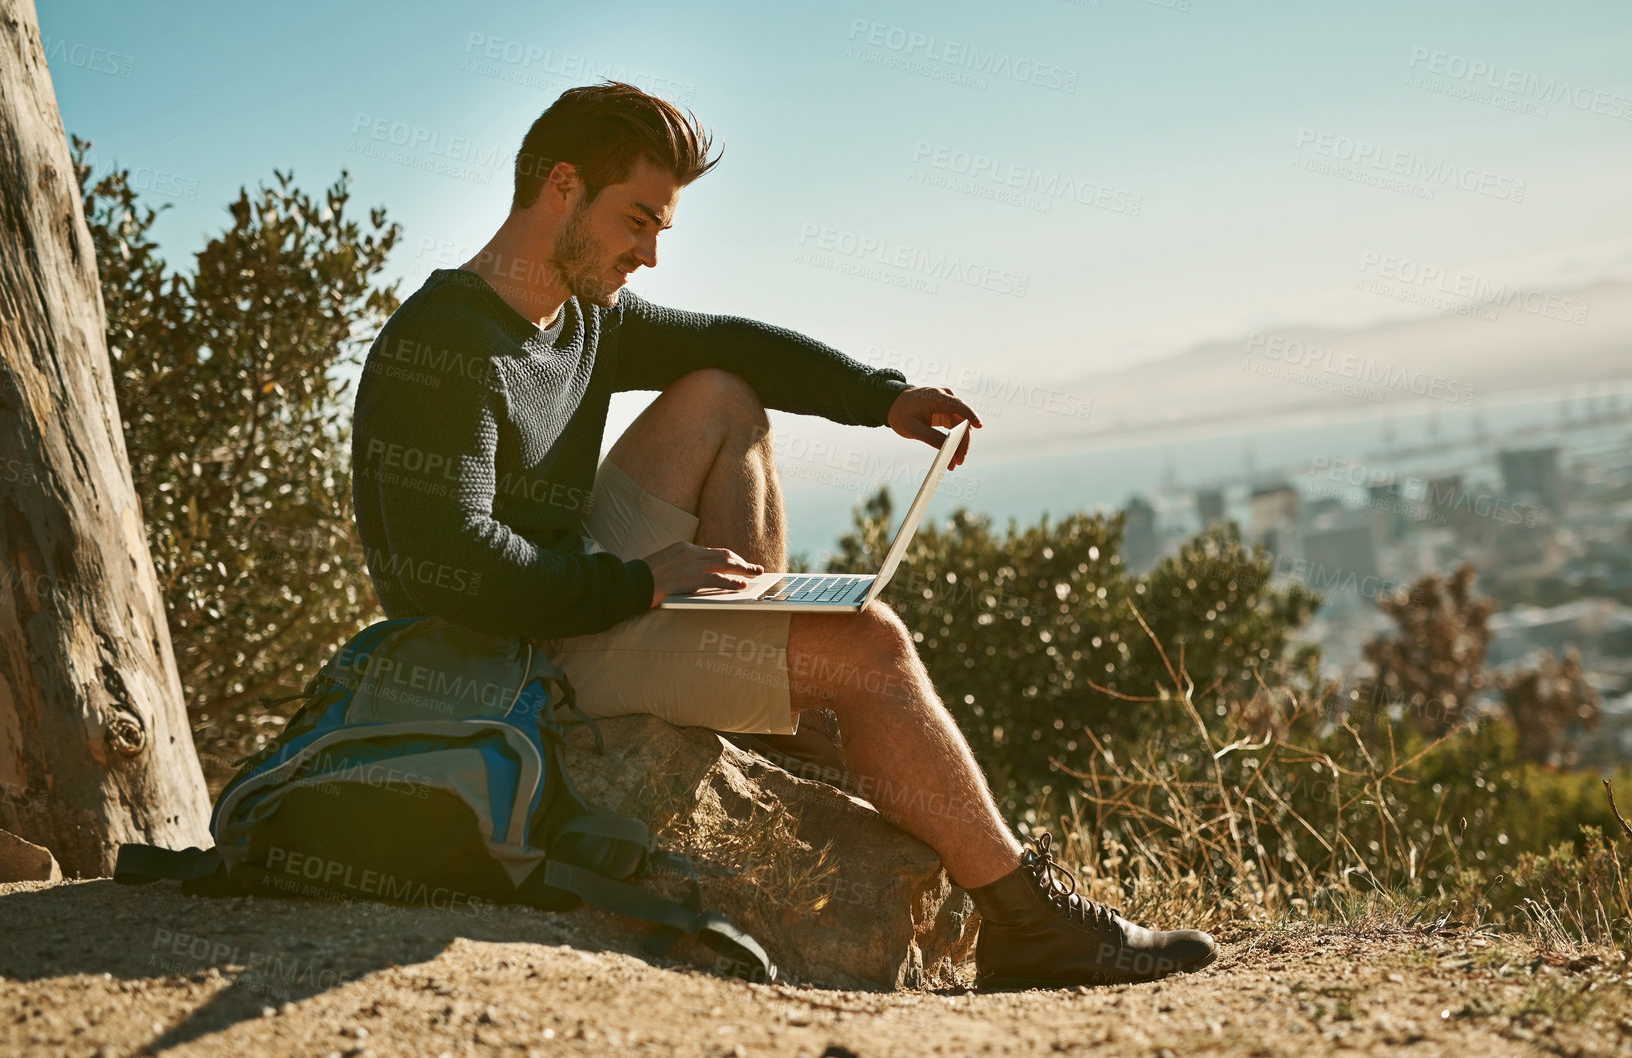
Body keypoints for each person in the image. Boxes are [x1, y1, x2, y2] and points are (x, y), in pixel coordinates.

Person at [350, 81, 1216, 989]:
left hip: (567, 581)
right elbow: (450, 567)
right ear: (561, 185)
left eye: (660, 231)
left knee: (720, 394)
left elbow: (732, 341)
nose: (647, 254)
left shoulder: (578, 315)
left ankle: (762, 699)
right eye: (636, 220)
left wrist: (881, 397)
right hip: (506, 658)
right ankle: (1028, 924)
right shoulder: (443, 347)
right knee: (866, 646)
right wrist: (636, 584)